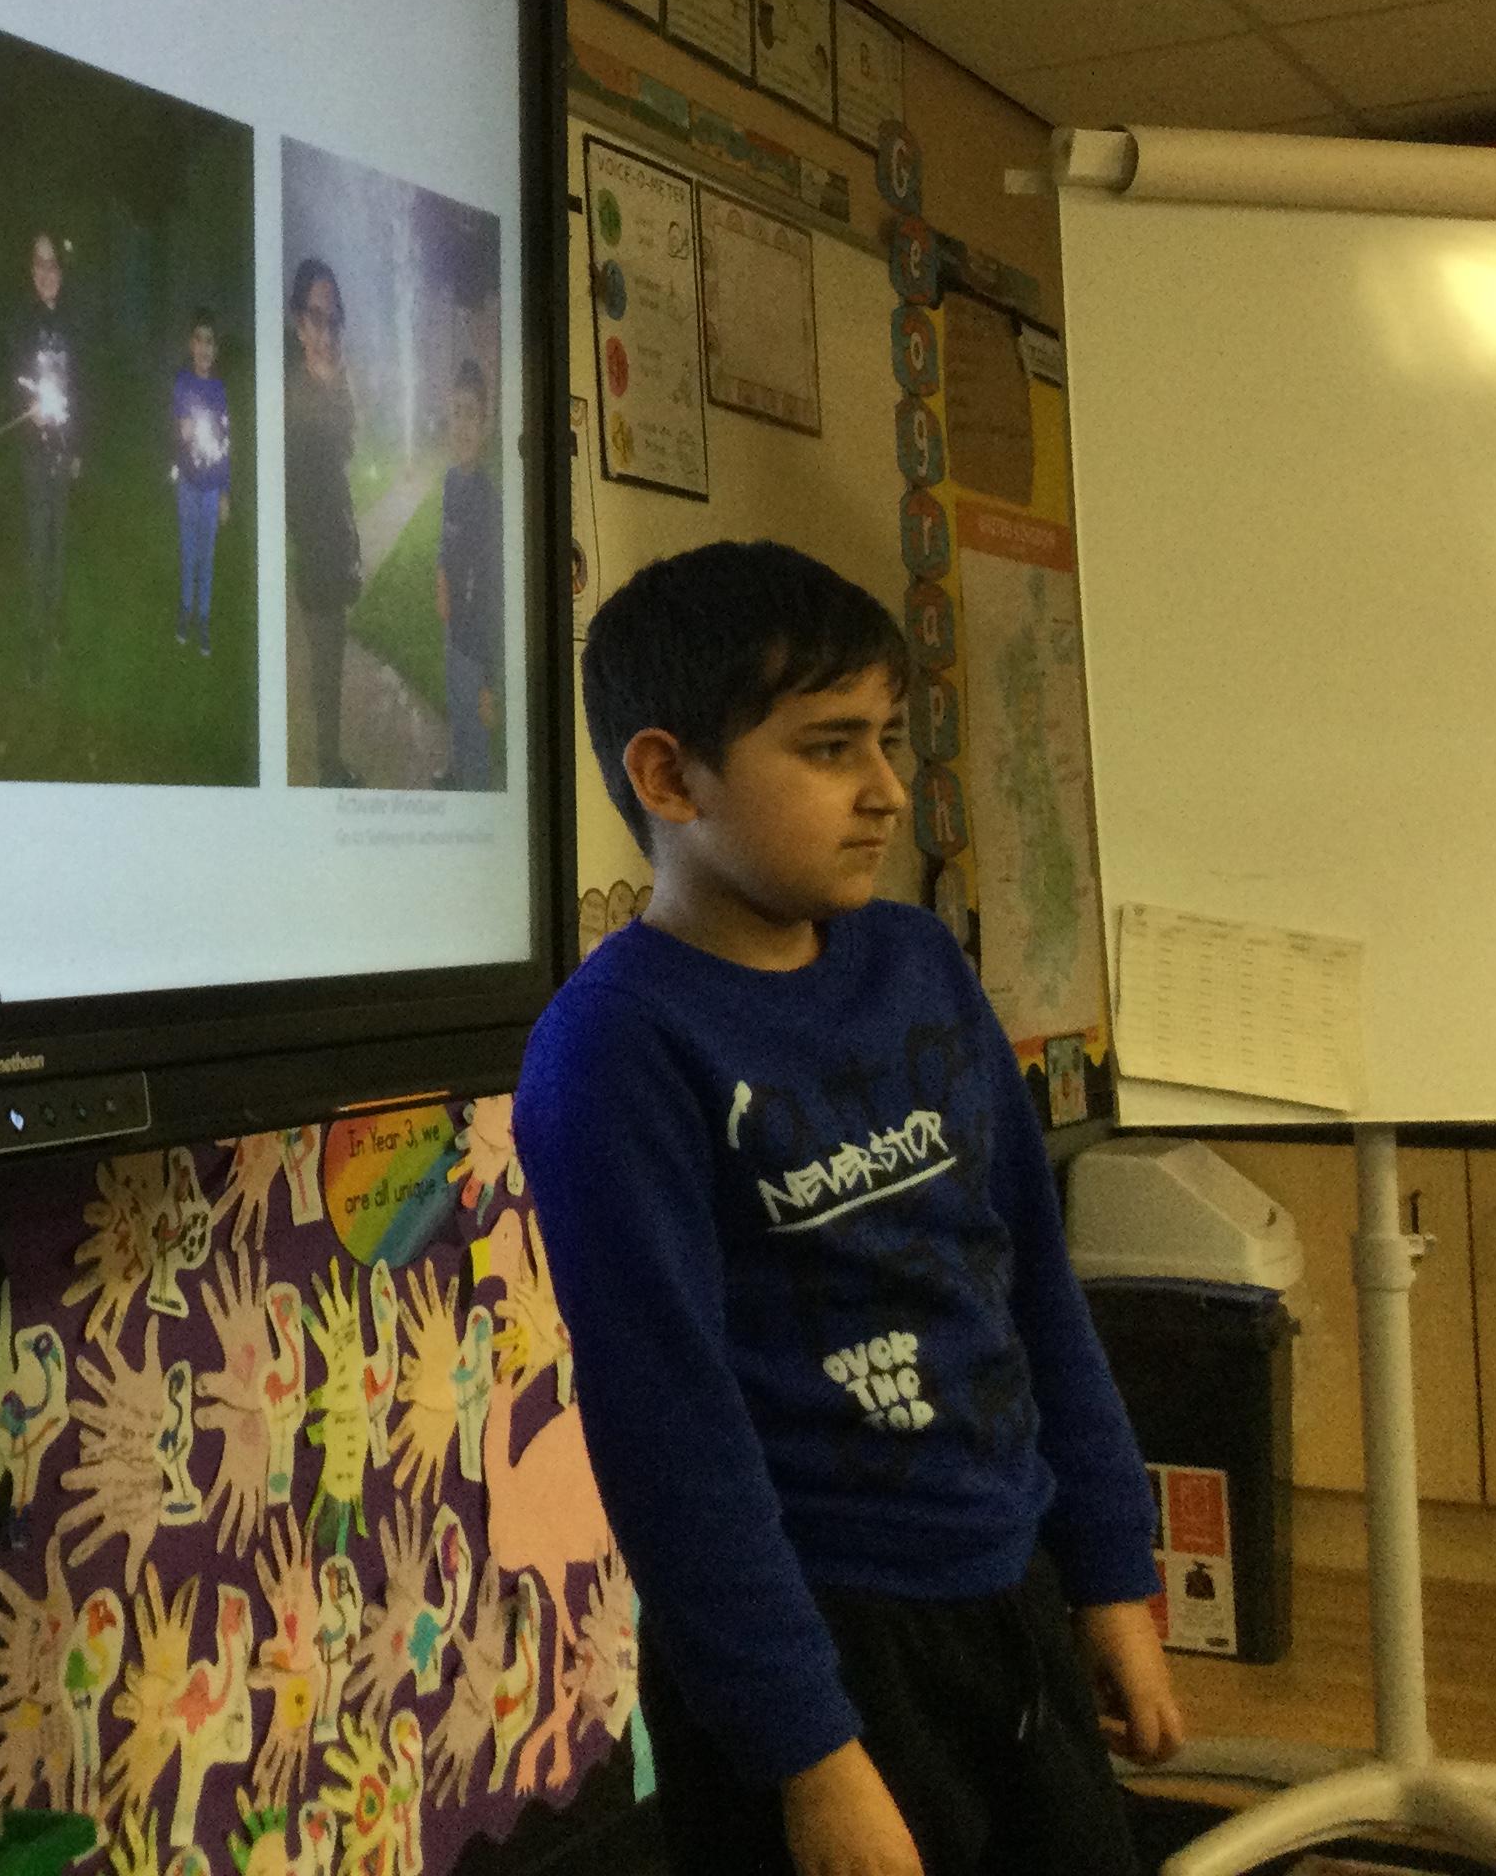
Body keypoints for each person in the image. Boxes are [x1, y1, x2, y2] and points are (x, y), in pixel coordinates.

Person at [512, 540, 1181, 1876]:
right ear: (668, 778)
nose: (886, 790)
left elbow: (1034, 1285)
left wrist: (1110, 1567)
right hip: (818, 1649)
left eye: (888, 740)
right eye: (830, 749)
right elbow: (671, 1437)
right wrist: (811, 1752)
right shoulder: (617, 1049)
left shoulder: (916, 960)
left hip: (1013, 1583)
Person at [282, 257, 360, 784]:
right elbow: (319, 459)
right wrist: (334, 386)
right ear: (298, 323)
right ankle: (328, 769)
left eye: (334, 319)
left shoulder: (328, 383)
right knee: (325, 664)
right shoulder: (295, 393)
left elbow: (347, 447)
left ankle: (329, 762)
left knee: (330, 664)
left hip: (334, 547)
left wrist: (338, 385)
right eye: (317, 316)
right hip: (316, 554)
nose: (327, 331)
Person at [8, 231, 79, 685]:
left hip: (64, 449)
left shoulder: (71, 322)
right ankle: (36, 638)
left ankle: (54, 621)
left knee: (59, 540)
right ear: (31, 270)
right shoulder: (22, 321)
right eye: (39, 263)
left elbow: (82, 386)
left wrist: (78, 447)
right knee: (38, 544)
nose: (46, 272)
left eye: (52, 264)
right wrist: (25, 405)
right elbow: (12, 379)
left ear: (60, 273)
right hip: (34, 452)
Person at [434, 358, 502, 790]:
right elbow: (446, 541)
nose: (462, 425)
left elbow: (494, 594)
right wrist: (441, 576)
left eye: (471, 415)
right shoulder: (450, 481)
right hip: (452, 627)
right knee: (456, 708)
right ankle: (456, 770)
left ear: (485, 425)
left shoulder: (487, 499)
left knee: (474, 720)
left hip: (475, 642)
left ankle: (472, 783)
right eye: (456, 412)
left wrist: (489, 682)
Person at [168, 309, 232, 655]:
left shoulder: (219, 391)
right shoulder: (182, 383)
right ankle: (186, 609)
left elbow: (225, 444)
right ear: (191, 345)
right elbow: (176, 432)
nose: (205, 348)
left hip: (210, 489)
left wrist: (224, 493)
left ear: (215, 349)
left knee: (207, 556)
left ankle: (203, 617)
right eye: (199, 340)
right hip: (188, 485)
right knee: (188, 552)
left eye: (210, 342)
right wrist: (182, 431)